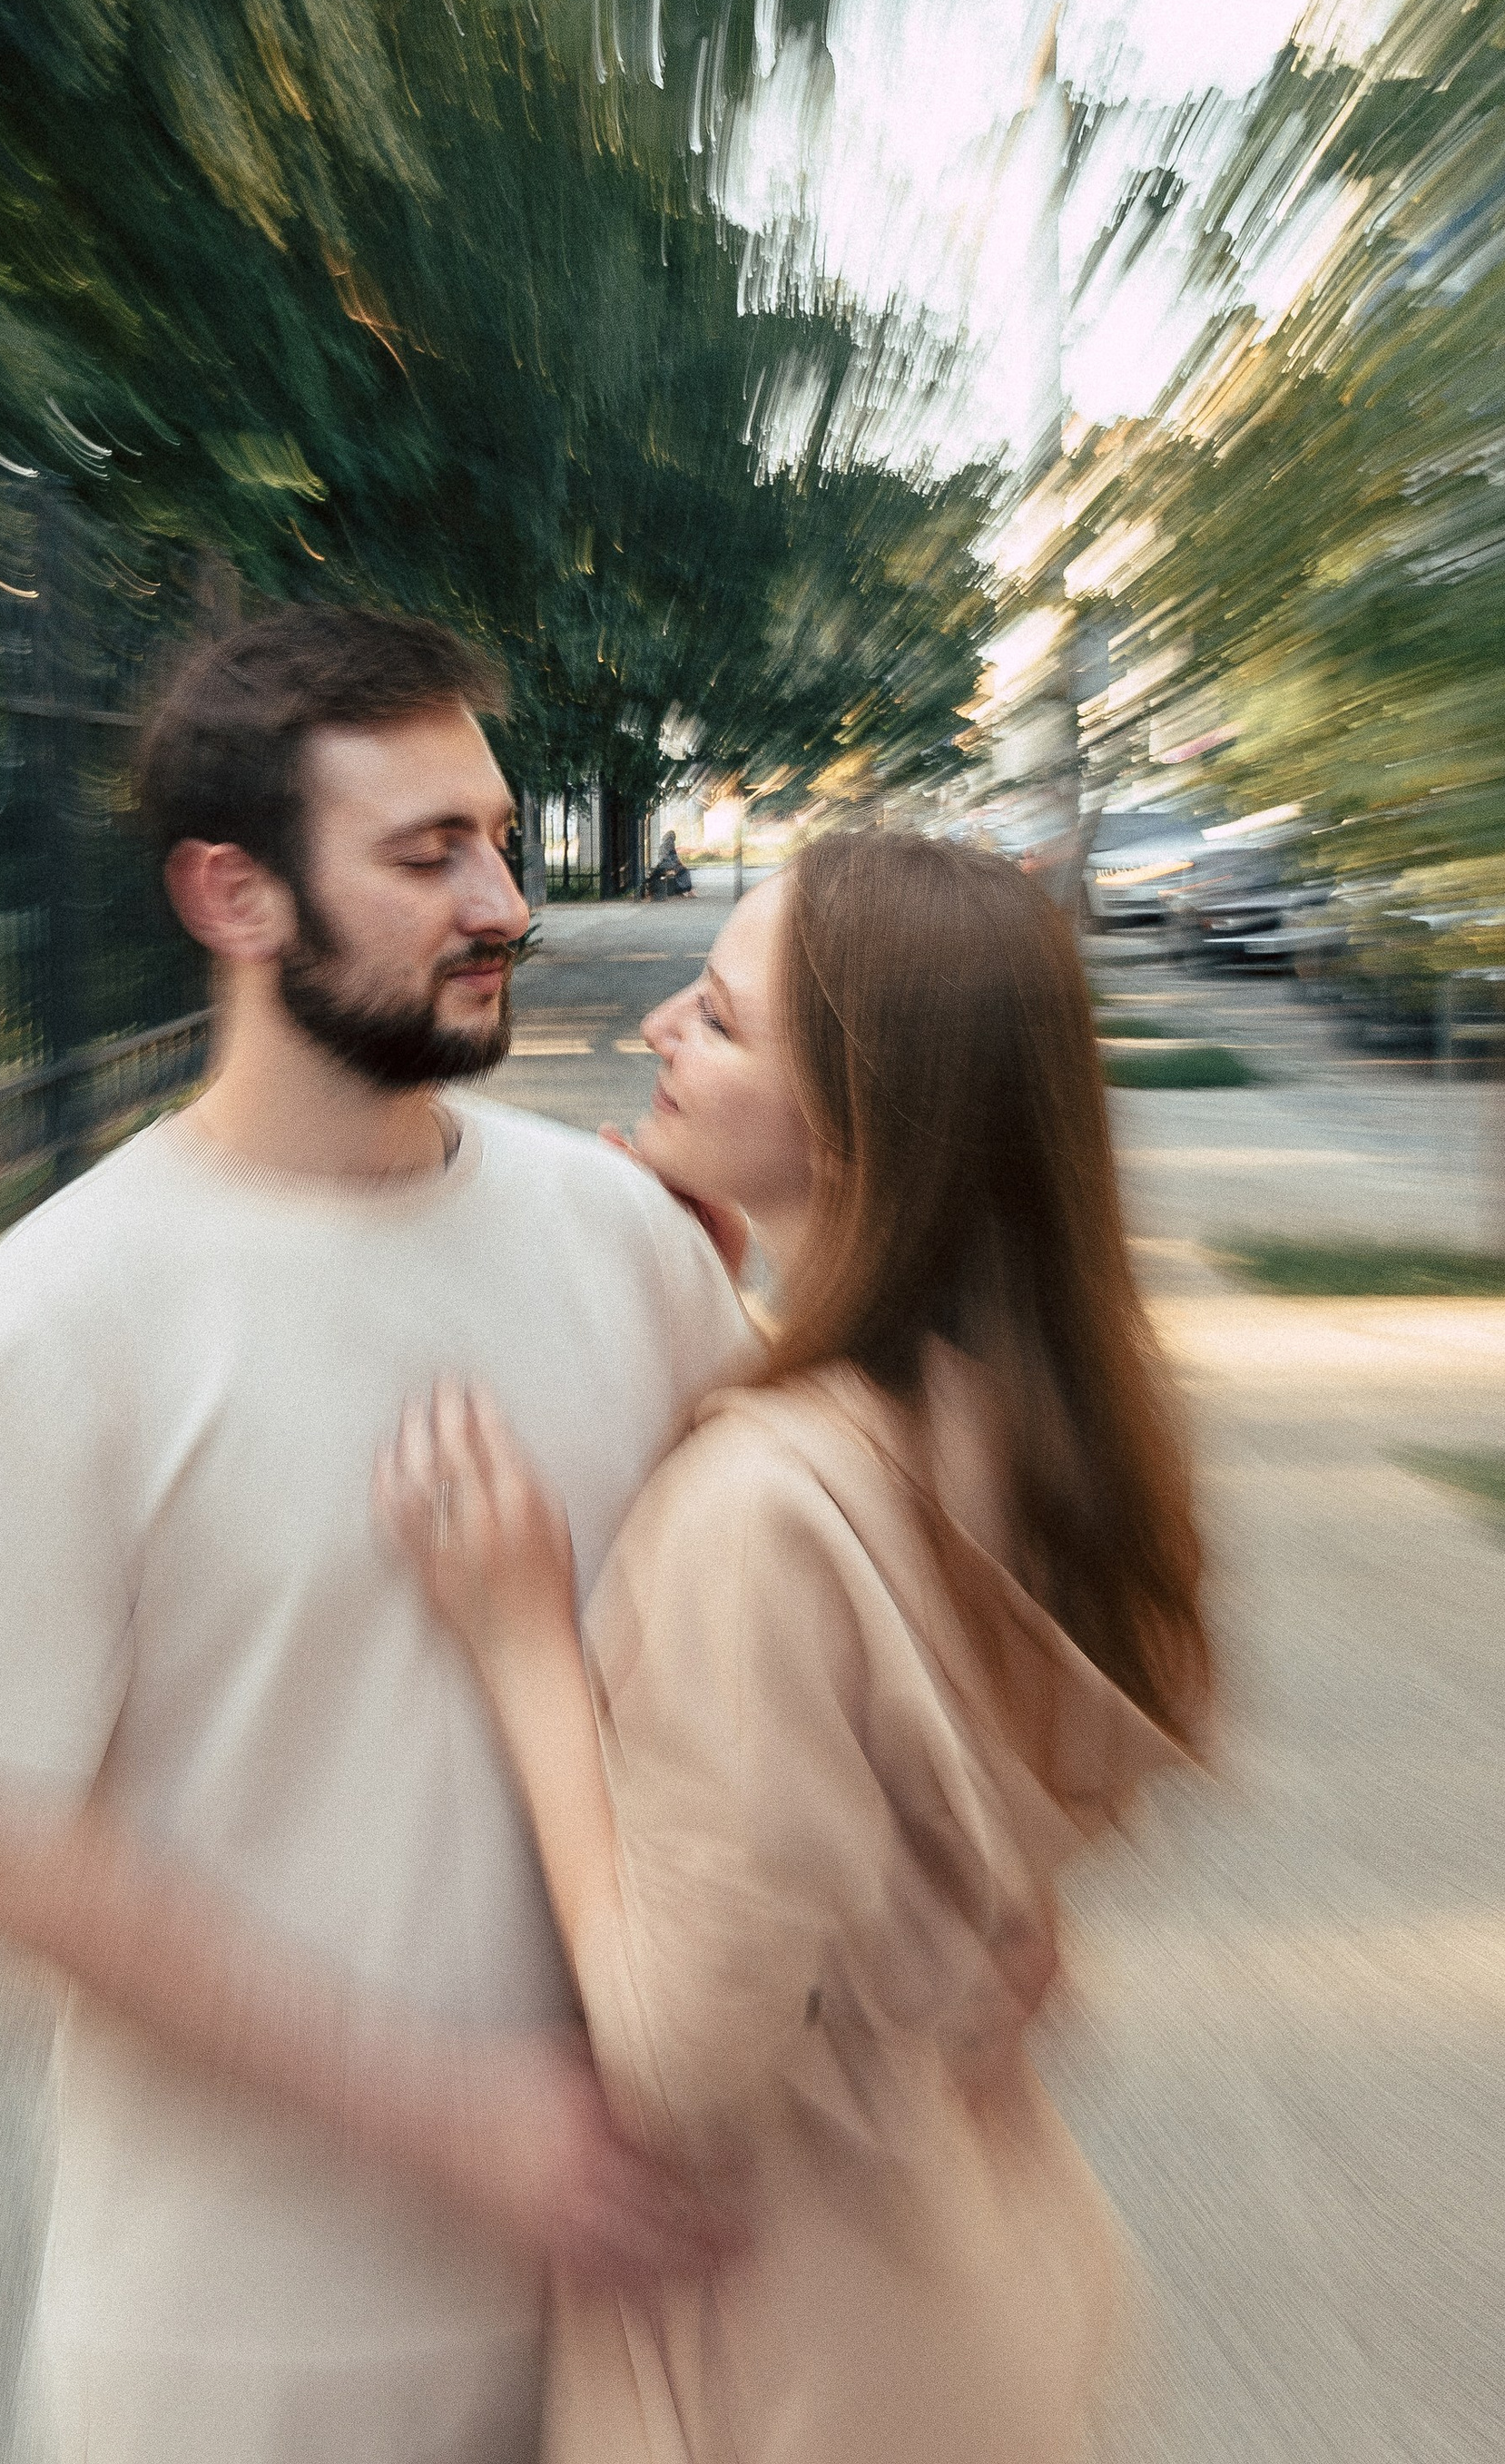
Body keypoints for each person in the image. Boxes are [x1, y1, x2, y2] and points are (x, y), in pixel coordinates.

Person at [0, 605, 755, 2464]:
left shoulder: (631, 1248)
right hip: (246, 2357)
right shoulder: (58, 1320)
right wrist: (457, 2120)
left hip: (643, 2320)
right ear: (233, 894)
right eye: (426, 852)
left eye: (500, 839)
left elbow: (762, 1659)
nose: (504, 903)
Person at [379, 830, 1211, 2464]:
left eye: (721, 1017)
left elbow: (681, 2054)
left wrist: (526, 1644)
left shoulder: (758, 1511)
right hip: (976, 2284)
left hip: (791, 2352)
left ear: (857, 1115)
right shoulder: (1049, 1426)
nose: (655, 1031)